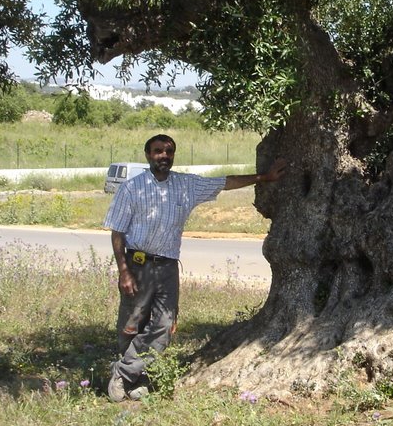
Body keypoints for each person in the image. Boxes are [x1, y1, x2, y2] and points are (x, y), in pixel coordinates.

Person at [103, 133, 287, 402]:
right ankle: (133, 378)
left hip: (167, 267)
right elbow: (117, 232)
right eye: (157, 151)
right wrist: (124, 271)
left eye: (168, 151)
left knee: (164, 326)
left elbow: (224, 182)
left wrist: (264, 178)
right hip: (137, 264)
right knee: (132, 324)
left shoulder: (185, 185)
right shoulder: (132, 188)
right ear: (147, 155)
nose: (163, 156)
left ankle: (123, 373)